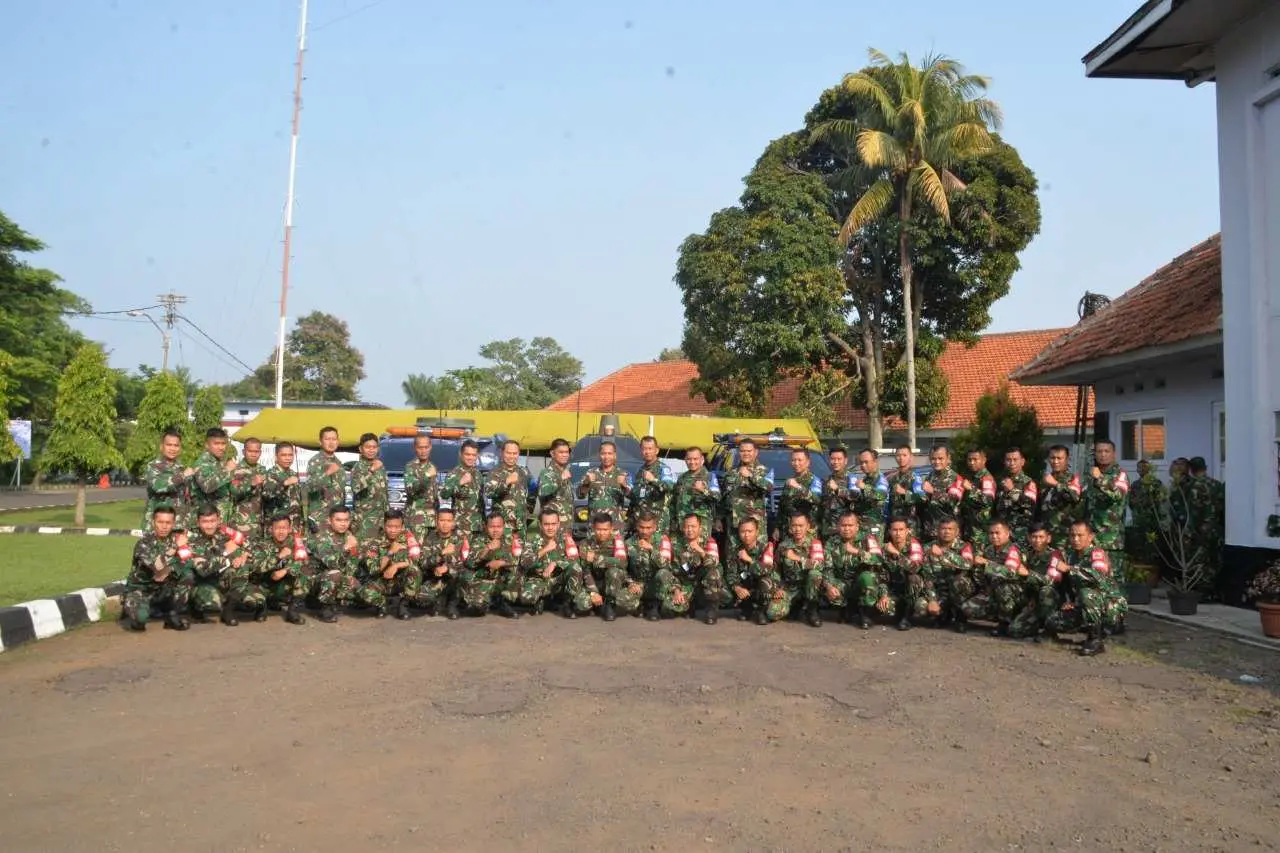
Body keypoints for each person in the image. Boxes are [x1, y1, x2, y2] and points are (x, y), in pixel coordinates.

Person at [1054, 520, 1127, 656]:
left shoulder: (1097, 553)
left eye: (1080, 535)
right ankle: (1091, 626)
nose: (1075, 539)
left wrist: (1070, 569)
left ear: (1091, 536)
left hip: (1109, 606)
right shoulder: (1071, 556)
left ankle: (1096, 639)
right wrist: (1069, 601)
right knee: (1053, 621)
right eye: (1072, 535)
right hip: (1085, 604)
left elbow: (1097, 576)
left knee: (1087, 593)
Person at [121, 505, 192, 631]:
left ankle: (172, 614)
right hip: (141, 590)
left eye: (168, 523)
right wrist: (174, 548)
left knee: (188, 576)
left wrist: (170, 569)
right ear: (153, 522)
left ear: (173, 524)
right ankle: (136, 610)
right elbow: (156, 565)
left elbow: (187, 562)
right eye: (160, 522)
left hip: (163, 590)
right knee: (140, 619)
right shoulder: (144, 543)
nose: (164, 526)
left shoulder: (177, 540)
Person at [186, 504, 257, 626]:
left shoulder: (224, 532)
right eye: (205, 522)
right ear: (198, 522)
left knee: (242, 567)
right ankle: (196, 607)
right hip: (201, 582)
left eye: (213, 521)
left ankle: (228, 610)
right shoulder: (192, 539)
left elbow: (251, 546)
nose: (209, 525)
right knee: (213, 603)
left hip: (219, 578)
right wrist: (226, 553)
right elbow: (203, 569)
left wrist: (243, 555)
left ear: (218, 520)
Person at [306, 505, 370, 624]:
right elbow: (332, 564)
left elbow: (355, 561)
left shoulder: (349, 536)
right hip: (317, 582)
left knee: (368, 595)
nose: (343, 524)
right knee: (334, 574)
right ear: (330, 521)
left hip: (341, 576)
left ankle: (345, 600)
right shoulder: (320, 538)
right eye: (339, 520)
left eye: (346, 520)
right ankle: (325, 607)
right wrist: (346, 548)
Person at [515, 508, 582, 616]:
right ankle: (543, 599)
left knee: (583, 603)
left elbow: (575, 559)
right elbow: (524, 563)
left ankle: (567, 603)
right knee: (525, 597)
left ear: (558, 524)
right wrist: (545, 549)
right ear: (540, 525)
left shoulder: (566, 539)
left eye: (553, 524)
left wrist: (555, 563)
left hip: (560, 580)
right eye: (546, 524)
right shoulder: (532, 541)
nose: (550, 527)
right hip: (540, 580)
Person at [776, 512, 838, 628]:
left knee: (814, 574)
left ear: (808, 526)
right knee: (773, 613)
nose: (797, 529)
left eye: (801, 525)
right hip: (791, 587)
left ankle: (812, 609)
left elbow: (821, 567)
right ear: (790, 527)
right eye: (794, 525)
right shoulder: (783, 546)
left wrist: (797, 558)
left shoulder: (816, 545)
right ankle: (796, 605)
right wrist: (779, 588)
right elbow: (776, 570)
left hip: (810, 587)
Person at [655, 513, 720, 622]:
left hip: (701, 585)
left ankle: (711, 609)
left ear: (700, 528)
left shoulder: (709, 541)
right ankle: (688, 605)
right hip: (683, 584)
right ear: (682, 528)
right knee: (668, 609)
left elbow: (714, 564)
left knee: (714, 572)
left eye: (693, 526)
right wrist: (676, 590)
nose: (690, 530)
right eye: (687, 526)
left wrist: (700, 550)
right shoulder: (673, 541)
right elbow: (666, 566)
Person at [361, 510, 425, 620]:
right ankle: (382, 605)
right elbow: (373, 570)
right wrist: (390, 552)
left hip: (401, 581)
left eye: (397, 527)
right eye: (389, 526)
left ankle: (403, 605)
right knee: (364, 593)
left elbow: (418, 561)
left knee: (415, 570)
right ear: (384, 525)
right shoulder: (374, 542)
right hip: (382, 581)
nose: (393, 530)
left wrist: (396, 566)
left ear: (402, 526)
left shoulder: (409, 539)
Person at [247, 514, 311, 625]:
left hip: (285, 583)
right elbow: (256, 567)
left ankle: (292, 612)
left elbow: (305, 562)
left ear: (289, 529)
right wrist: (278, 557)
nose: (281, 532)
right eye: (277, 528)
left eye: (284, 528)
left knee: (306, 572)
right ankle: (261, 608)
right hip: (264, 583)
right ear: (271, 529)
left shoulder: (297, 543)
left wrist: (285, 570)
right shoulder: (262, 545)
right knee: (251, 595)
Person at [971, 519, 1029, 637]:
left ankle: (1005, 622)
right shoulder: (989, 550)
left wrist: (987, 563)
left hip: (1016, 592)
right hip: (993, 591)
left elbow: (1011, 573)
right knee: (968, 608)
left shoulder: (1014, 550)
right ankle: (998, 615)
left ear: (1007, 534)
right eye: (991, 533)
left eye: (998, 533)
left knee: (1004, 588)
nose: (994, 536)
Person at [457, 513, 521, 619]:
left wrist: (502, 563)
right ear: (486, 527)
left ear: (504, 526)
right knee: (477, 609)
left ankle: (504, 603)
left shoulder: (511, 539)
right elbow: (469, 563)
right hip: (485, 579)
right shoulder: (478, 540)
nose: (495, 530)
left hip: (502, 579)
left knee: (517, 571)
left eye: (498, 527)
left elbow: (519, 558)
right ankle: (487, 601)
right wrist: (486, 550)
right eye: (492, 527)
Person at [824, 511, 881, 627]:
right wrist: (829, 585)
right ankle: (845, 608)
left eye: (850, 525)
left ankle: (865, 613)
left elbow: (878, 559)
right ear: (838, 527)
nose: (846, 529)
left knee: (868, 577)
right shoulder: (832, 542)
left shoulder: (868, 539)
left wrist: (857, 552)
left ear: (857, 527)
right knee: (827, 585)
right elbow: (826, 567)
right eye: (843, 525)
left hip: (860, 584)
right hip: (842, 582)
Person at [1084, 440, 1130, 584]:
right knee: (1094, 581)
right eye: (1099, 451)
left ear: (1113, 454)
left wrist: (1100, 478)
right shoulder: (1091, 475)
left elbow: (1118, 495)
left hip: (1111, 540)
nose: (1103, 455)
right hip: (1091, 538)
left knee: (1112, 581)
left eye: (1107, 451)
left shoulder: (1120, 474)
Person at [581, 513, 642, 620]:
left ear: (611, 529)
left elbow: (622, 563)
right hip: (595, 582)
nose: (601, 533)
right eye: (598, 529)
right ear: (593, 529)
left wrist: (596, 558)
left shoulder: (618, 542)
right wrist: (593, 592)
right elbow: (585, 570)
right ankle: (597, 603)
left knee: (613, 572)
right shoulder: (585, 544)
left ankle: (610, 604)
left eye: (605, 529)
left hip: (613, 583)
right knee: (581, 605)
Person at [728, 517, 784, 625]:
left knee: (765, 582)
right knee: (727, 586)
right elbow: (731, 574)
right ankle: (746, 608)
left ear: (757, 532)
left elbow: (766, 570)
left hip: (763, 587)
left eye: (750, 531)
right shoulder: (735, 551)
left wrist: (749, 559)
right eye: (743, 531)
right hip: (746, 587)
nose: (746, 535)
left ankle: (761, 611)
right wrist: (737, 587)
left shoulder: (766, 548)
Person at [720, 438, 773, 547]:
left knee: (757, 558)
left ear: (756, 452)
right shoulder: (731, 472)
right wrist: (718, 518)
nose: (746, 454)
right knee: (734, 559)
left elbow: (769, 487)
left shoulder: (764, 471)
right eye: (743, 451)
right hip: (734, 525)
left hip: (755, 525)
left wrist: (751, 476)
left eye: (749, 451)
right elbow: (724, 497)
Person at [416, 506, 467, 618]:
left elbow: (467, 562)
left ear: (453, 522)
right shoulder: (430, 538)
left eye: (449, 521)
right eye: (442, 520)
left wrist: (448, 568)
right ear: (436, 521)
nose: (445, 524)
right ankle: (438, 601)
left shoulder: (460, 538)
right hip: (436, 578)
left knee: (465, 576)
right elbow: (423, 563)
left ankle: (452, 604)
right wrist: (440, 555)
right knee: (421, 596)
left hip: (455, 578)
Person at [928, 518, 975, 632]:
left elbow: (967, 564)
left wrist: (943, 552)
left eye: (950, 529)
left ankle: (960, 617)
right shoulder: (929, 547)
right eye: (943, 529)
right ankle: (943, 615)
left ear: (957, 532)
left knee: (959, 580)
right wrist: (932, 599)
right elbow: (926, 576)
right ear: (938, 531)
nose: (947, 532)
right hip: (940, 590)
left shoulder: (964, 546)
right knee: (921, 607)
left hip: (958, 591)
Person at [880, 518, 927, 630]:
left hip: (913, 591)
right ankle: (898, 612)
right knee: (882, 607)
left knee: (913, 578)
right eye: (894, 530)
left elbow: (915, 568)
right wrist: (883, 595)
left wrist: (897, 554)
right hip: (894, 590)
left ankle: (907, 616)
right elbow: (881, 576)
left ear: (907, 531)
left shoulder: (914, 546)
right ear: (889, 531)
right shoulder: (884, 549)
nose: (898, 533)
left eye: (901, 530)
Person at [577, 440, 631, 529]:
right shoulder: (591, 472)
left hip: (615, 526)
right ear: (599, 455)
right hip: (595, 525)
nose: (606, 457)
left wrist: (624, 485)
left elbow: (632, 496)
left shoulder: (623, 474)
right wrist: (586, 483)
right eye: (603, 453)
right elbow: (580, 495)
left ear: (615, 455)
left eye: (609, 453)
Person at [142, 429, 188, 531]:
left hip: (177, 524)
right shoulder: (153, 466)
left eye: (176, 445)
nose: (173, 448)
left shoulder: (181, 468)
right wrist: (182, 476)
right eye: (169, 445)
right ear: (162, 446)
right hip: (156, 526)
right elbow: (158, 486)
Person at [626, 511, 668, 622]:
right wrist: (630, 583)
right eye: (642, 527)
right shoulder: (629, 543)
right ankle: (640, 604)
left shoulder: (663, 541)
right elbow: (623, 568)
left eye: (648, 528)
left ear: (654, 528)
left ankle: (655, 605)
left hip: (655, 584)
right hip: (637, 584)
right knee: (621, 600)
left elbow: (667, 565)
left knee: (664, 573)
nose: (644, 531)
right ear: (637, 526)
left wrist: (652, 549)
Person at [485, 439, 532, 535]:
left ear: (518, 453)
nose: (511, 456)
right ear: (502, 453)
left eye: (515, 453)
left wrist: (528, 511)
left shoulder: (524, 472)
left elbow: (533, 491)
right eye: (508, 453)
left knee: (520, 549)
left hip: (520, 524)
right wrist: (506, 482)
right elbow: (489, 493)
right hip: (503, 525)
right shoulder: (494, 472)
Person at [305, 426, 346, 534]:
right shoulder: (315, 461)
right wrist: (327, 473)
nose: (331, 442)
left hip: (337, 518)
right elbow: (309, 487)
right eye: (327, 439)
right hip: (320, 517)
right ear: (320, 441)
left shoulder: (339, 463)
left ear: (338, 441)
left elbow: (341, 491)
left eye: (334, 439)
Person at [350, 432, 389, 547]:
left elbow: (384, 493)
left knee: (380, 550)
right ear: (361, 449)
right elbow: (356, 487)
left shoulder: (380, 466)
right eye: (368, 447)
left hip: (382, 519)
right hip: (365, 520)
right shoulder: (358, 467)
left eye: (374, 447)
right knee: (364, 552)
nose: (371, 450)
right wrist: (371, 470)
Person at [440, 440, 486, 536]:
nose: (471, 458)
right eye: (467, 454)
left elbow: (481, 501)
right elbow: (444, 494)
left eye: (474, 455)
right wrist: (460, 482)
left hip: (477, 526)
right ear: (461, 454)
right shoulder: (454, 474)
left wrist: (484, 522)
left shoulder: (478, 475)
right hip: (460, 527)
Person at [1039, 445, 1083, 544]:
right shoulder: (1045, 480)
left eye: (1059, 458)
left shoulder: (1072, 479)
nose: (1055, 461)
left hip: (1064, 537)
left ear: (1067, 460)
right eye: (1052, 458)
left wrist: (1056, 484)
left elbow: (1074, 497)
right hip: (1045, 536)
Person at [919, 445, 964, 542]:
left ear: (948, 458)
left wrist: (933, 491)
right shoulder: (930, 476)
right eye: (933, 459)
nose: (937, 462)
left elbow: (953, 502)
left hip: (948, 532)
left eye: (940, 458)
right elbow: (925, 500)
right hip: (930, 531)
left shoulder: (955, 478)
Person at [191, 428, 238, 521]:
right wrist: (227, 470)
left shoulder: (219, 463)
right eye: (216, 444)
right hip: (206, 521)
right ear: (207, 445)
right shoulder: (202, 463)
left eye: (223, 444)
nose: (221, 447)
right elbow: (207, 486)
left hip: (221, 520)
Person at [671, 446, 720, 534]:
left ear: (702, 459)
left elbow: (717, 498)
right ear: (685, 460)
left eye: (695, 459)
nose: (692, 462)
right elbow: (675, 500)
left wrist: (703, 490)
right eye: (689, 459)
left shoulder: (709, 477)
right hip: (682, 524)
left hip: (700, 526)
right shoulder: (682, 478)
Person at [995, 447, 1038, 547]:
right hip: (1003, 536)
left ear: (1022, 462)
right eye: (1008, 460)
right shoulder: (1002, 482)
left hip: (1020, 536)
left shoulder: (1028, 482)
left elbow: (1030, 504)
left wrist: (1012, 490)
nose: (1012, 463)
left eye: (1015, 460)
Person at [630, 436, 675, 531]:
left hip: (658, 521)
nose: (647, 452)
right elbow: (636, 495)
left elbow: (669, 487)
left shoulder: (663, 469)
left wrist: (654, 480)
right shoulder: (639, 471)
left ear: (656, 450)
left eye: (650, 449)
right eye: (644, 449)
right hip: (641, 521)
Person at [228, 437, 267, 539]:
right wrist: (251, 484)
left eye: (256, 451)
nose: (253, 454)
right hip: (241, 524)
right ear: (243, 451)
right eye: (250, 451)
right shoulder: (236, 470)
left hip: (259, 523)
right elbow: (234, 492)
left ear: (260, 452)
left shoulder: (262, 470)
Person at [402, 433, 439, 542]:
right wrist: (426, 476)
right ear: (415, 448)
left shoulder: (432, 466)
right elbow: (410, 490)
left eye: (426, 447)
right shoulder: (410, 467)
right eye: (420, 448)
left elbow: (434, 495)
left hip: (432, 519)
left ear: (430, 447)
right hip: (416, 520)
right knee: (416, 552)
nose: (423, 451)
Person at [777, 447, 824, 531]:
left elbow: (817, 499)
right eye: (793, 460)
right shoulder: (790, 481)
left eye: (799, 460)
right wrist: (777, 527)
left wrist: (798, 487)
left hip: (807, 531)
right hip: (789, 530)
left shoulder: (814, 480)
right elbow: (782, 506)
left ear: (808, 462)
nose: (796, 463)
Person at [261, 442, 303, 532]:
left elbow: (297, 501)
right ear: (276, 457)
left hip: (294, 525)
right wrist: (284, 484)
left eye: (290, 455)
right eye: (284, 455)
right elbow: (266, 495)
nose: (288, 458)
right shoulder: (270, 474)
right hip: (277, 527)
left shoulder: (293, 474)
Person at [849, 448, 890, 540]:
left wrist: (864, 487)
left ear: (875, 462)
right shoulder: (864, 479)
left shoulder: (880, 479)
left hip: (875, 525)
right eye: (861, 462)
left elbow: (881, 494)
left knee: (874, 553)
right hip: (862, 524)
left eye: (866, 462)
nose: (863, 465)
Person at [959, 449, 997, 548]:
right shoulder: (973, 477)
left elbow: (988, 500)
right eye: (969, 460)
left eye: (975, 459)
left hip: (980, 532)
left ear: (984, 460)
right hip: (969, 528)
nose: (972, 462)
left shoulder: (986, 478)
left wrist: (971, 489)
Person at [534, 438, 575, 527]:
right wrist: (560, 479)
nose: (565, 455)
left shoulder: (564, 471)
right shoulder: (547, 473)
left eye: (567, 452)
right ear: (552, 454)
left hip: (566, 525)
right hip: (551, 526)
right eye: (561, 452)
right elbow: (543, 491)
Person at [886, 445, 924, 535]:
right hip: (894, 523)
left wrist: (904, 493)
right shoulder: (891, 478)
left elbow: (922, 498)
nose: (901, 458)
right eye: (898, 455)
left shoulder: (915, 478)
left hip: (909, 524)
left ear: (911, 457)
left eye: (904, 455)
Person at [819, 446, 854, 539]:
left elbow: (855, 496)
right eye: (833, 459)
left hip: (844, 528)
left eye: (839, 459)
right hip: (827, 528)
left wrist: (838, 489)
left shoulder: (851, 478)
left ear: (845, 460)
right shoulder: (825, 480)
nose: (836, 462)